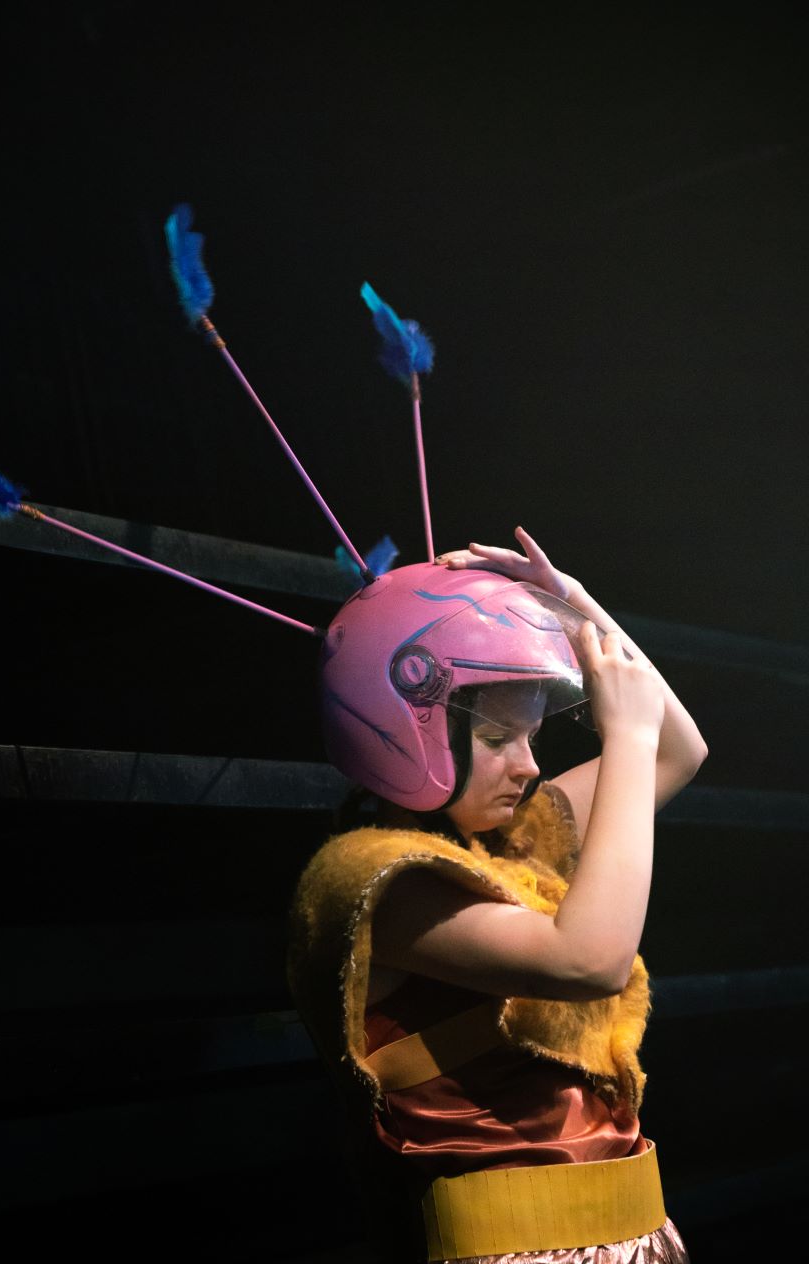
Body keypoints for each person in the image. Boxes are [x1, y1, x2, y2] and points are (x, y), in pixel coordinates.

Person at [288, 527, 708, 1263]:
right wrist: (627, 737)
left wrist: (573, 608)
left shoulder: (513, 838)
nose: (529, 766)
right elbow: (589, 962)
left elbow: (679, 749)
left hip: (632, 1237)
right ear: (400, 728)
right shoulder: (380, 879)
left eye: (532, 737)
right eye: (496, 739)